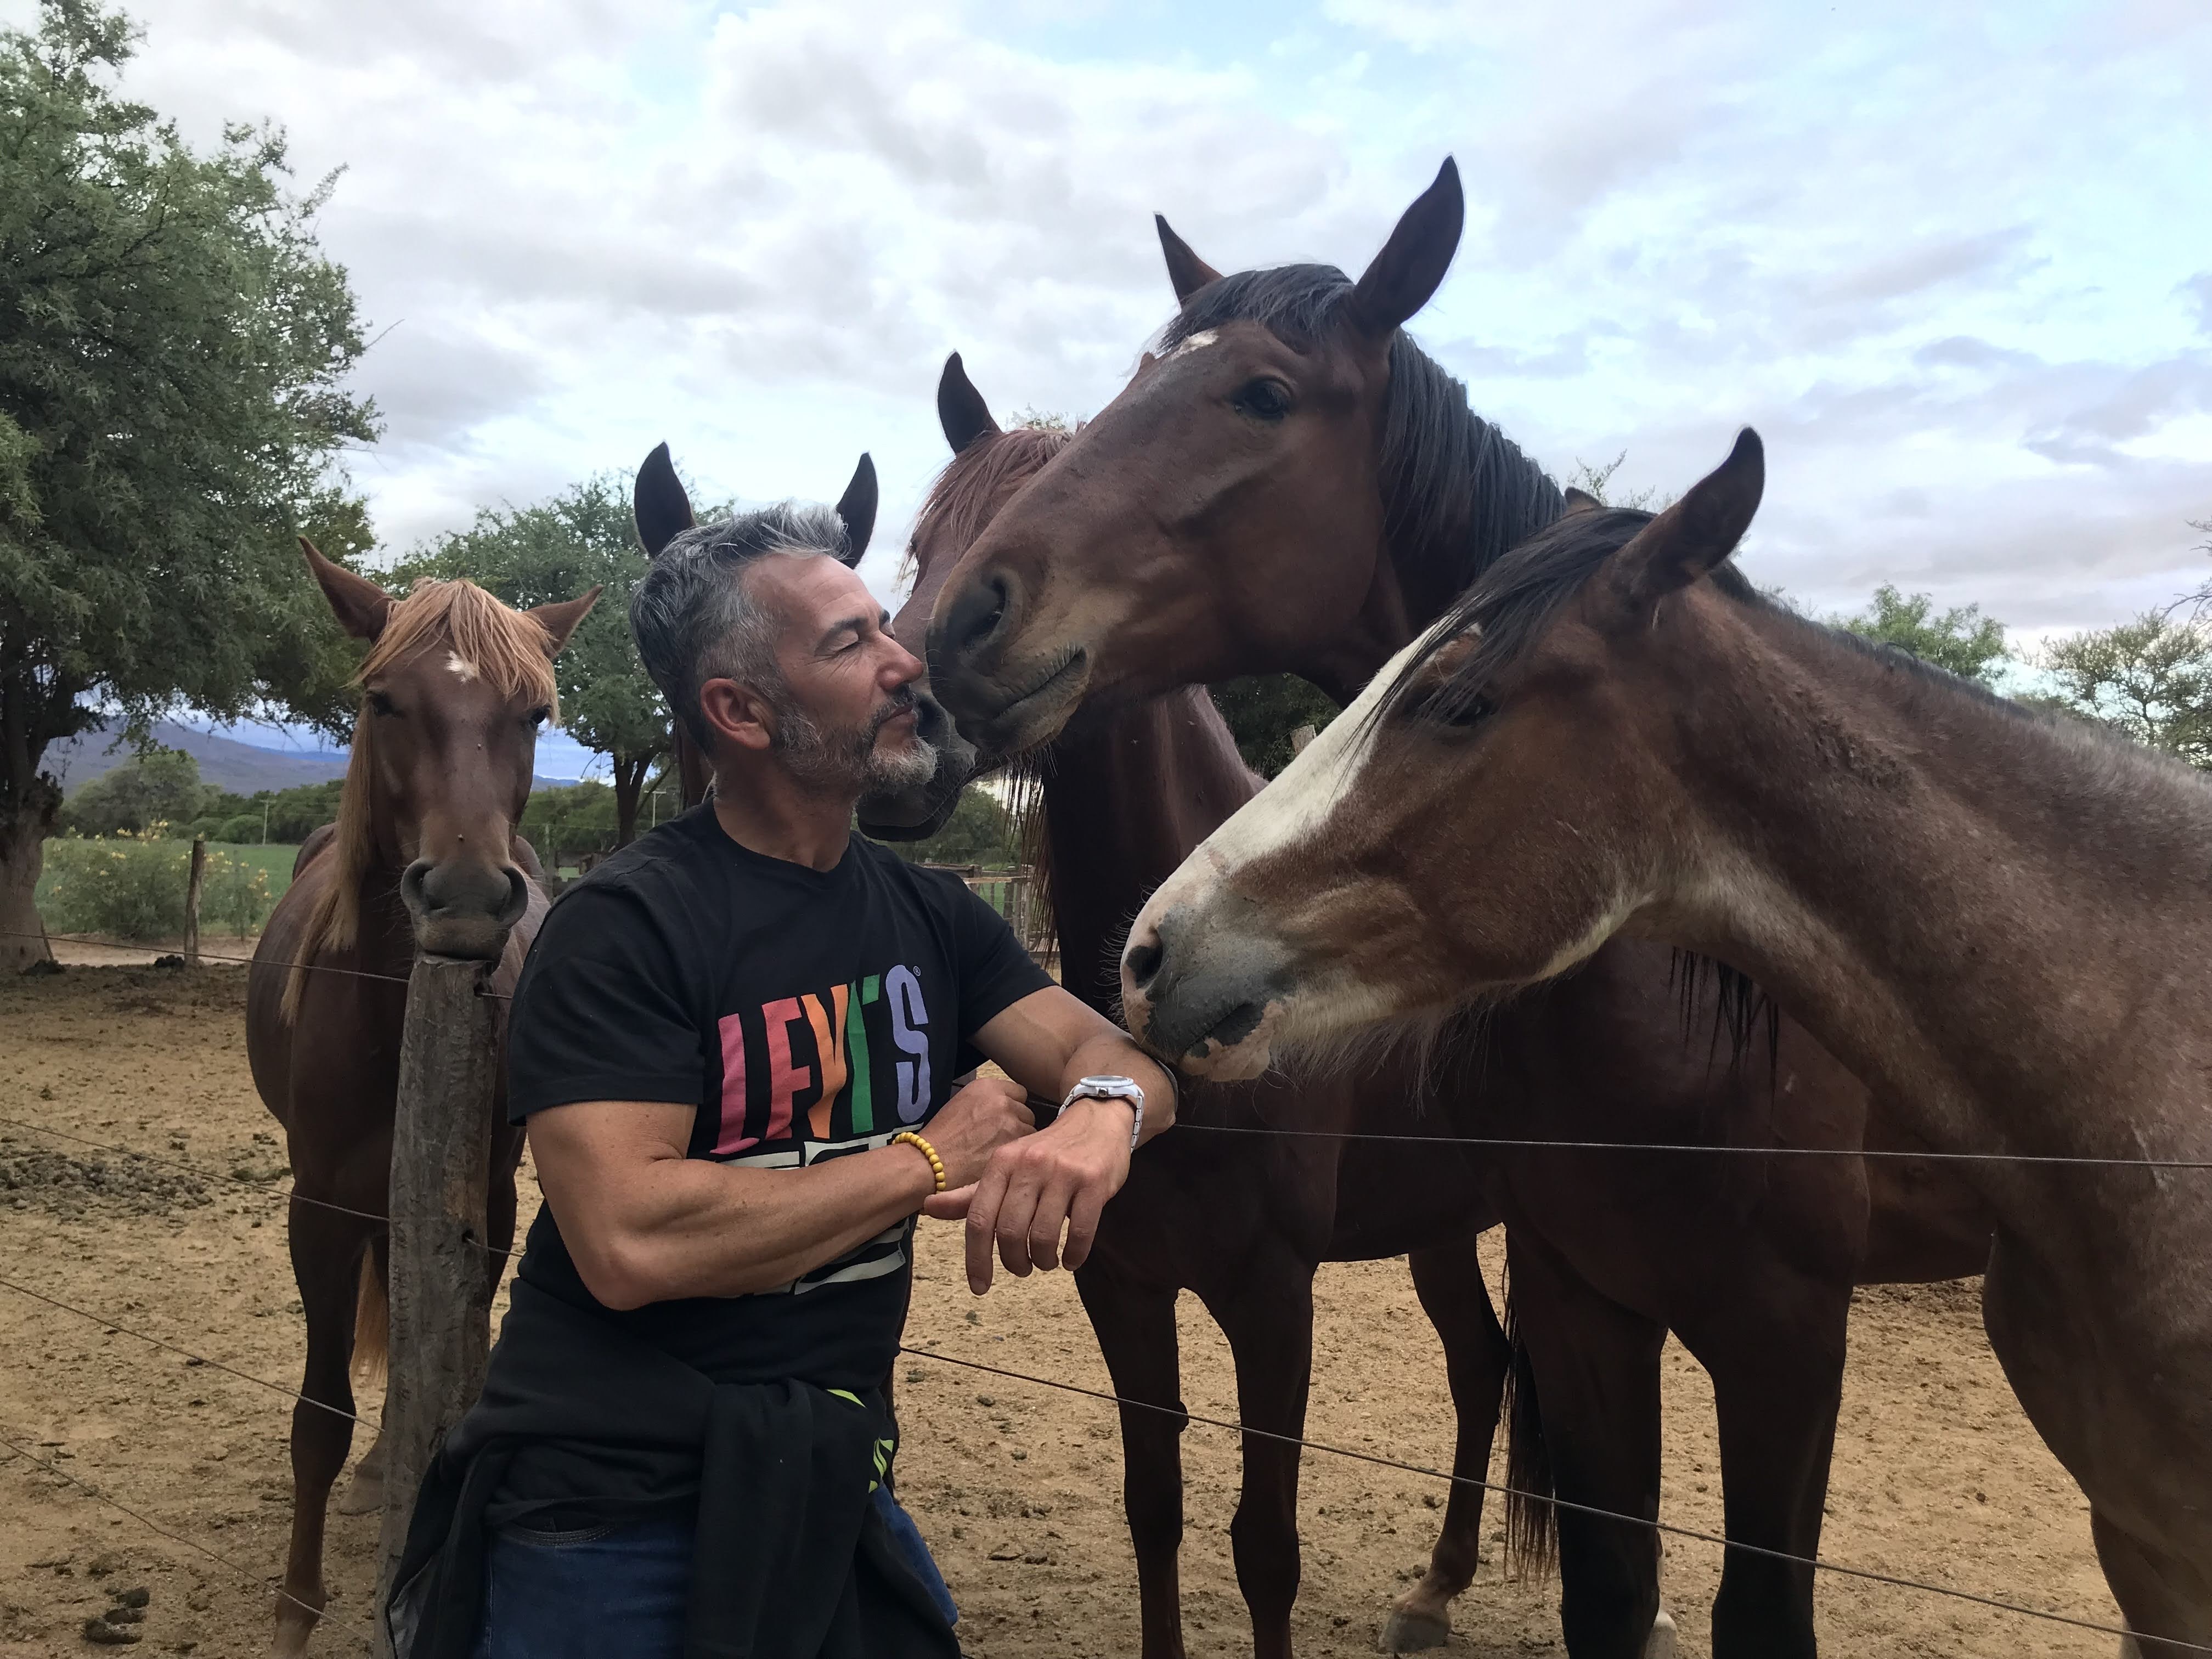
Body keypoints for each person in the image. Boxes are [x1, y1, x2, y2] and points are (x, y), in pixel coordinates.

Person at [387, 498, 1176, 1659]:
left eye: (882, 629)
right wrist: (923, 1160)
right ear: (740, 711)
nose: (906, 661)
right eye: (851, 643)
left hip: (828, 1468)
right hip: (608, 1502)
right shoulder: (629, 929)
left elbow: (1113, 1057)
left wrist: (1098, 1122)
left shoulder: (931, 917)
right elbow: (630, 1241)